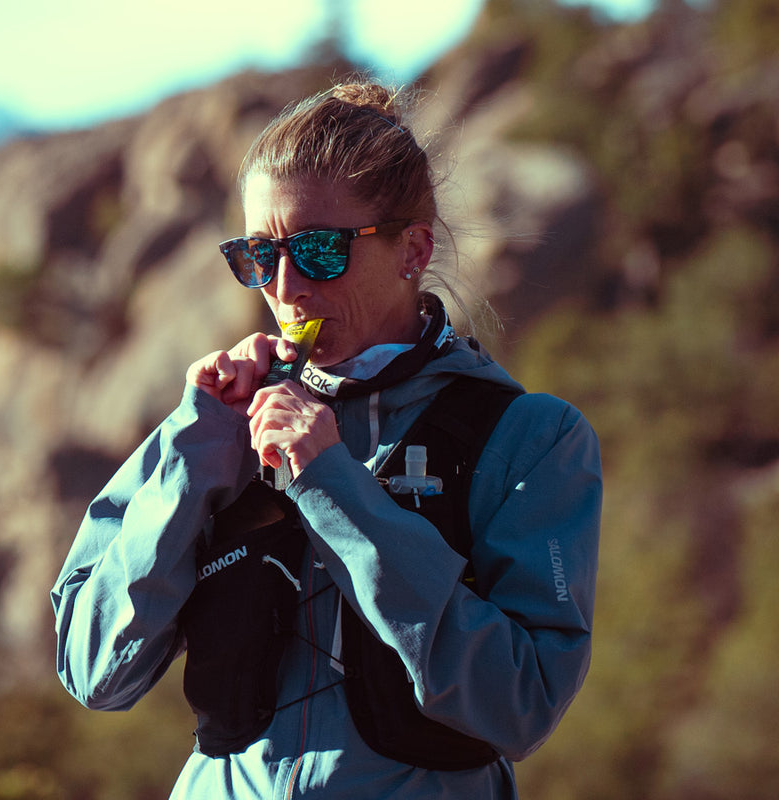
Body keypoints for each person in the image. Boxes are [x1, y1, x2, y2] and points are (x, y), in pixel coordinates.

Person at [50, 82, 602, 798]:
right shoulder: (218, 419)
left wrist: (333, 484)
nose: (285, 288)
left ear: (413, 250)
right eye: (259, 255)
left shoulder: (531, 437)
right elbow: (94, 673)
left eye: (318, 251)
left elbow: (521, 703)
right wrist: (195, 453)